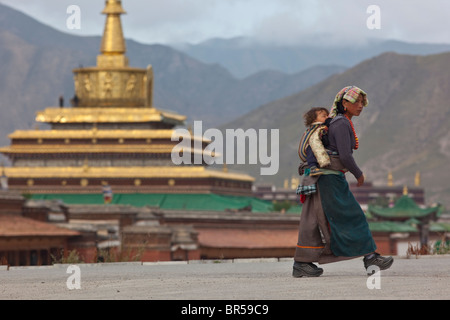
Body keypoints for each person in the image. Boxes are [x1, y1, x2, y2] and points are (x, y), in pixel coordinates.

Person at [293, 85, 394, 277]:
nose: (361, 105)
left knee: (313, 220)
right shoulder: (341, 124)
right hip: (329, 179)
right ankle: (370, 257)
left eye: (362, 102)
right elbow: (345, 156)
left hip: (322, 178)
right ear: (344, 103)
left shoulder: (338, 122)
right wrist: (358, 174)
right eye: (356, 101)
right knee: (354, 215)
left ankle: (302, 263)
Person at [299, 107, 330, 176]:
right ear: (314, 119)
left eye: (327, 116)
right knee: (312, 147)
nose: (327, 117)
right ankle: (313, 167)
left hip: (306, 153)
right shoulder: (320, 129)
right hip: (309, 151)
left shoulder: (311, 130)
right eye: (324, 116)